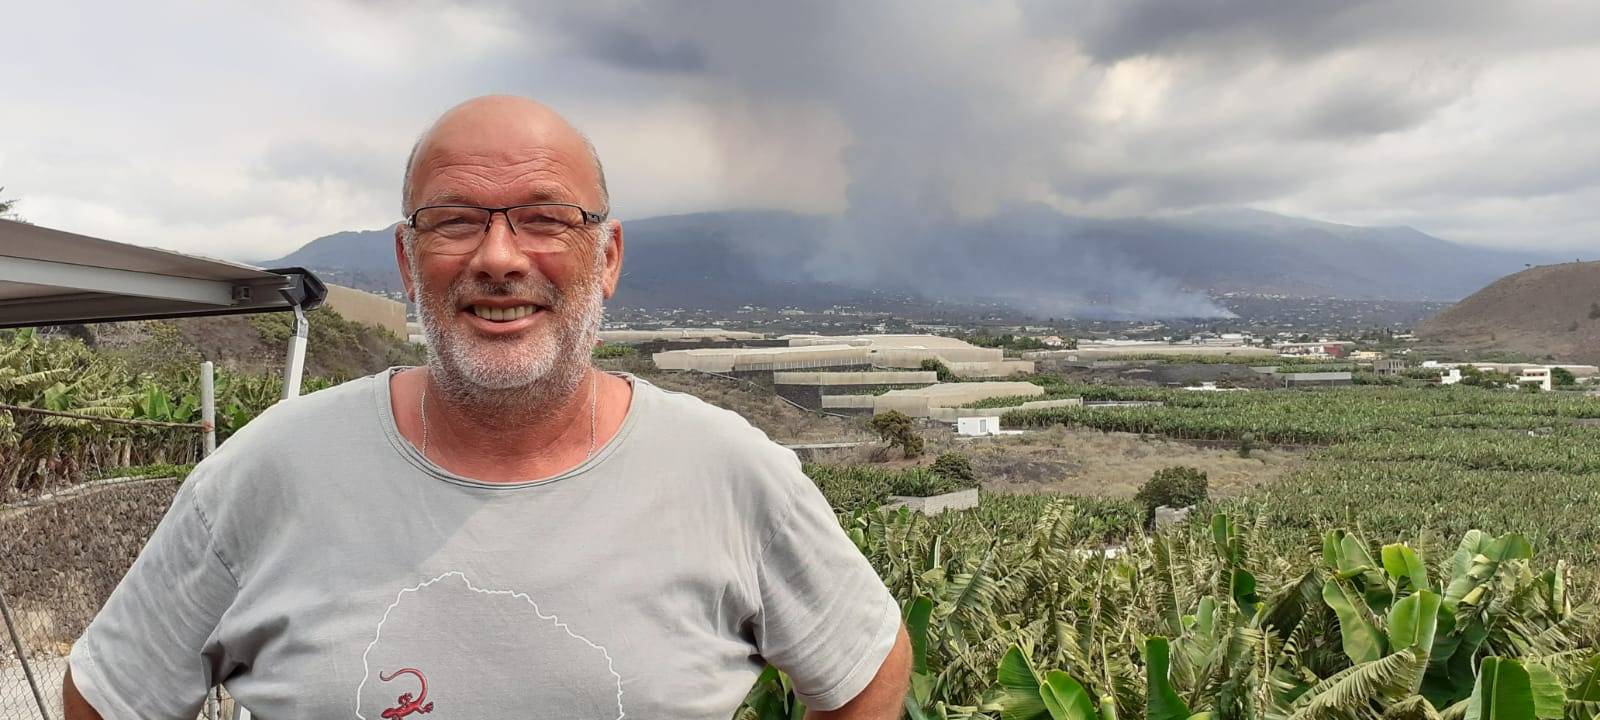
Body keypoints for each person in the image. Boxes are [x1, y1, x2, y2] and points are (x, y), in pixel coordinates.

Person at [63, 95, 910, 719]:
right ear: (406, 259)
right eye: (455, 220)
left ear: (606, 257)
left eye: (546, 218)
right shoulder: (264, 472)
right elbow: (106, 695)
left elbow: (868, 670)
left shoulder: (730, 472)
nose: (500, 257)